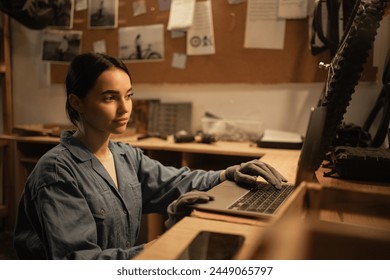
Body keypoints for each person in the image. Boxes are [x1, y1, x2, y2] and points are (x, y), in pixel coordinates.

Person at [13, 52, 287, 260]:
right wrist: (164, 246)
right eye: (110, 98)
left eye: (129, 96)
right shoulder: (58, 172)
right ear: (76, 102)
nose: (125, 108)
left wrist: (228, 173)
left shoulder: (125, 156)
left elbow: (177, 182)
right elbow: (82, 263)